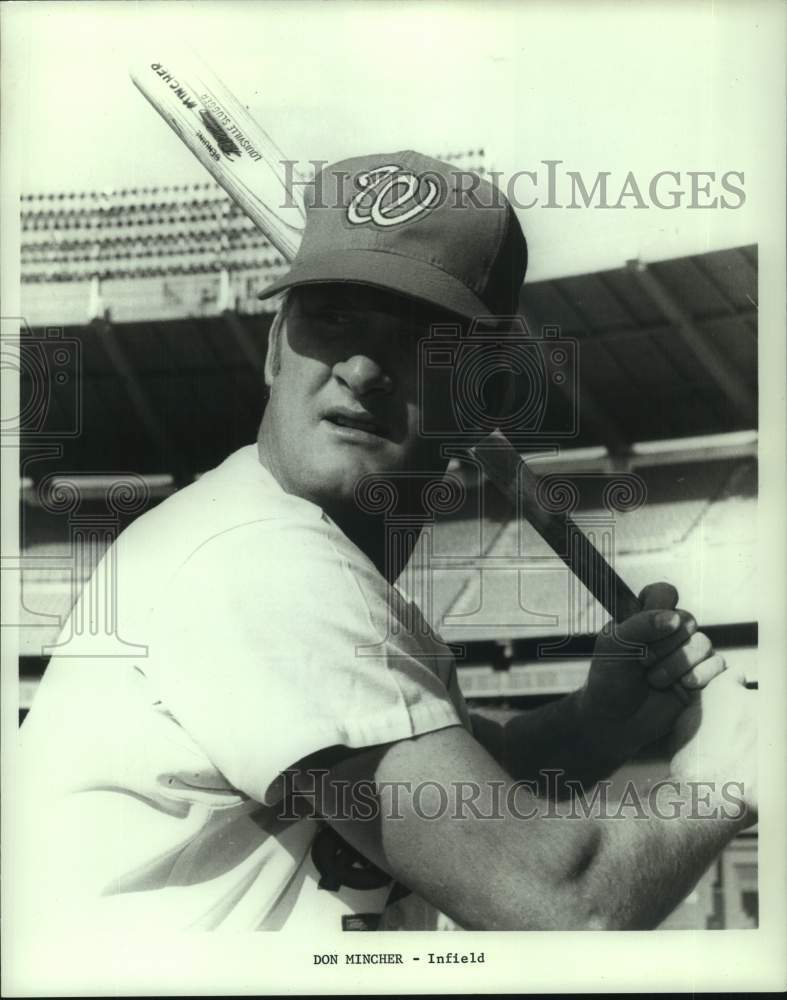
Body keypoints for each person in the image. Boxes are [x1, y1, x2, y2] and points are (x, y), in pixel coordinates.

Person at [15, 151, 757, 933]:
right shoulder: (258, 561)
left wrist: (595, 725)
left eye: (419, 338)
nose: (363, 368)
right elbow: (560, 902)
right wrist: (724, 780)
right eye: (331, 320)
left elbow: (440, 802)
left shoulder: (290, 551)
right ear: (274, 349)